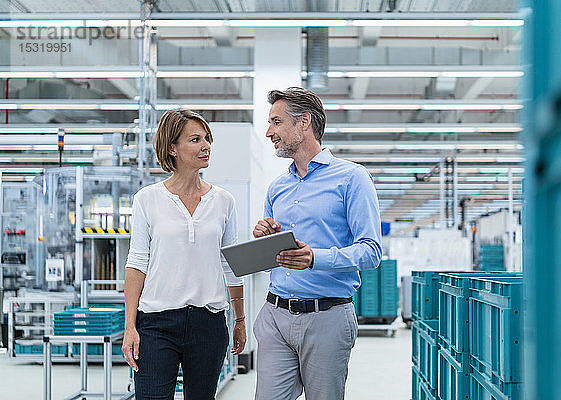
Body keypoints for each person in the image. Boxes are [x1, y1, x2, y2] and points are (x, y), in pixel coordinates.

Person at [253, 87, 382, 400]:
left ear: (304, 123)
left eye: (276, 122)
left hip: (327, 317)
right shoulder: (277, 187)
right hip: (275, 314)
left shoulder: (352, 178)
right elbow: (276, 254)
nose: (269, 132)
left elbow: (371, 250)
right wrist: (265, 238)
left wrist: (316, 258)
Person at [122, 109, 246, 400]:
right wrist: (130, 327)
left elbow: (231, 265)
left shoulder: (224, 201)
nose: (205, 146)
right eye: (195, 139)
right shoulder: (147, 199)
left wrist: (239, 320)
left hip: (208, 323)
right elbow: (137, 263)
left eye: (207, 139)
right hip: (156, 324)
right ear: (172, 149)